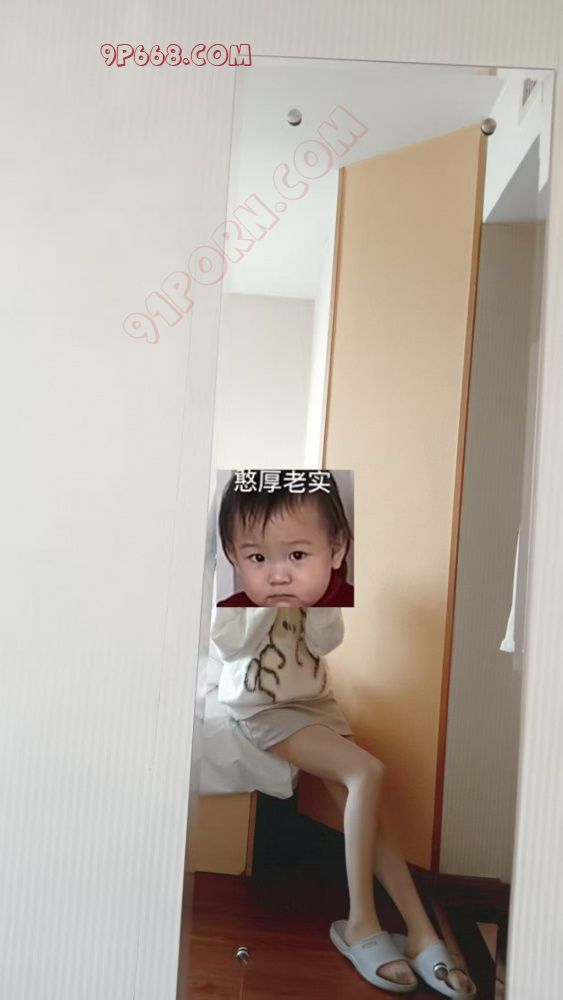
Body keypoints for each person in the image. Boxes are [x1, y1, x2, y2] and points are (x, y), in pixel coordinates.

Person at [211, 602, 477, 997]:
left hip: (316, 699)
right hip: (259, 702)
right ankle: (361, 923)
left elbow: (326, 641)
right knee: (367, 772)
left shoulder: (326, 559)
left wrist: (318, 593)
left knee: (364, 798)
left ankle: (421, 932)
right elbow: (227, 645)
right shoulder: (238, 562)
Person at [216, 470, 355, 607]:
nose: (278, 578)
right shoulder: (229, 614)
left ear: (336, 550)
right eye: (258, 558)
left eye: (297, 555)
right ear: (235, 558)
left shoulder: (358, 609)